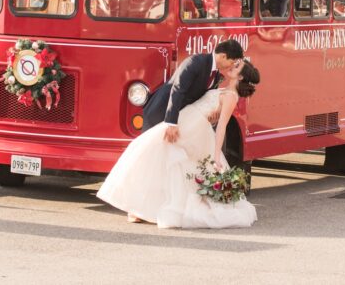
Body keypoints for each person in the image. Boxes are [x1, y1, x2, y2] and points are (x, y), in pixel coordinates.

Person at [97, 48, 260, 230]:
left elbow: (221, 127)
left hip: (191, 128)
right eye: (235, 62)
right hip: (186, 121)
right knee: (154, 154)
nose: (233, 66)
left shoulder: (231, 96)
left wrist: (216, 154)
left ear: (240, 78)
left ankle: (145, 208)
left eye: (237, 67)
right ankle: (140, 208)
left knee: (160, 155)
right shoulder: (220, 85)